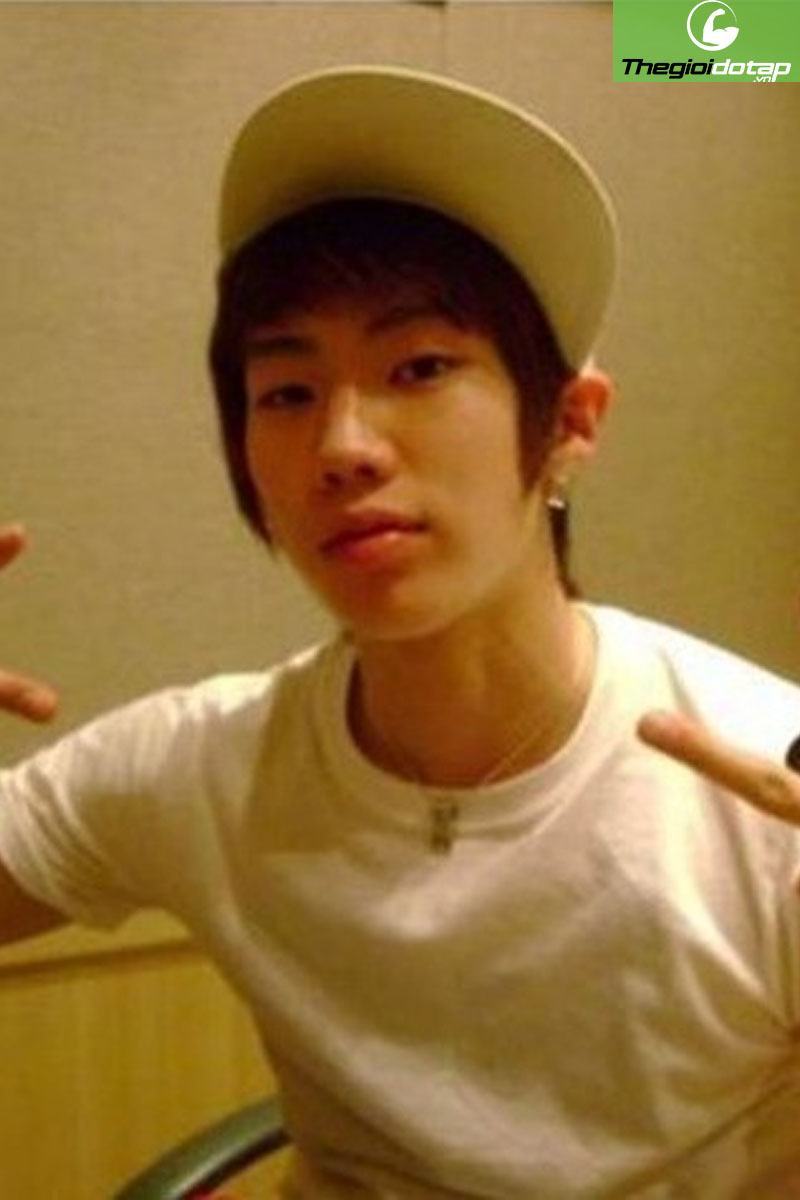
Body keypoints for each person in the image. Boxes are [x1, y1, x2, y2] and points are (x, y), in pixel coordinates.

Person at [1, 65, 799, 1198]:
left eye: (419, 368)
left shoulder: (760, 780)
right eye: (286, 393)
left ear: (569, 424)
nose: (343, 447)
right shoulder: (202, 768)